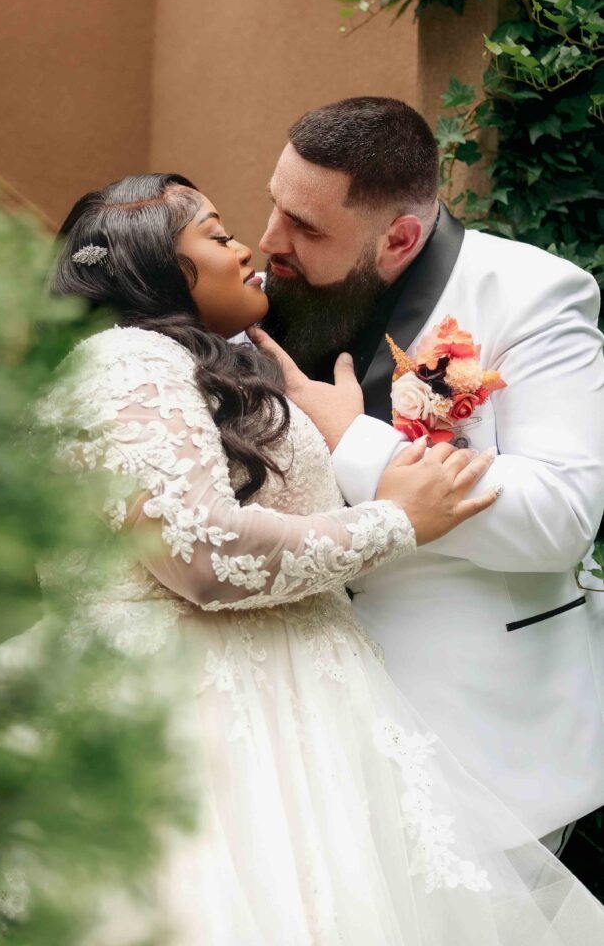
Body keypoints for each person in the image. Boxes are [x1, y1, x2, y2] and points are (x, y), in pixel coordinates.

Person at [32, 172, 604, 943]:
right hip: (203, 720)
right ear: (159, 267)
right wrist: (396, 520)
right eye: (218, 232)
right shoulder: (127, 364)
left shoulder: (195, 361)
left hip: (301, 713)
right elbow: (204, 552)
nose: (253, 246)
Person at [250, 95, 604, 859]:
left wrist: (350, 437)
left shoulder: (534, 296)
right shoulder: (265, 286)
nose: (268, 241)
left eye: (305, 227)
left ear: (400, 236)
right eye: (274, 206)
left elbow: (562, 517)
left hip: (479, 736)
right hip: (292, 722)